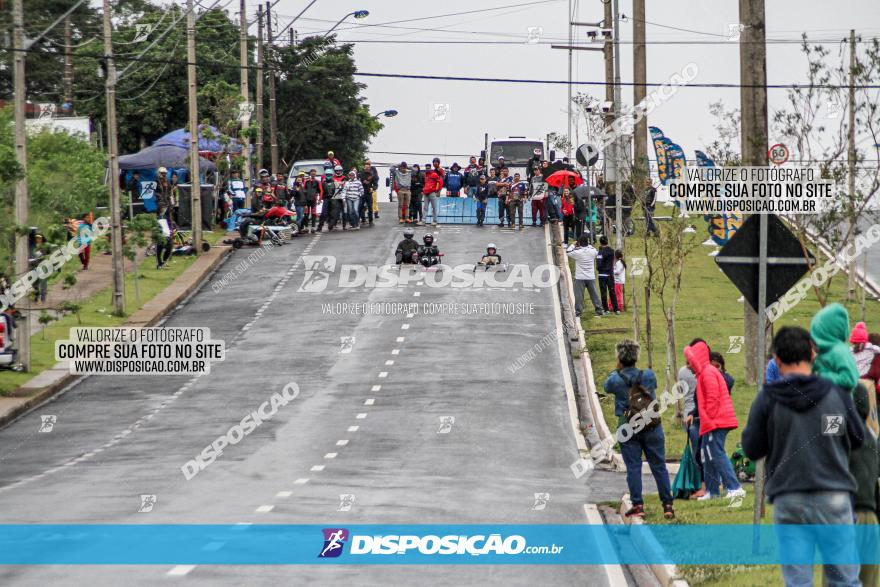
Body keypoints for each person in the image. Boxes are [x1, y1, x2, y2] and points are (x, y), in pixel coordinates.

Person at [742, 326, 865, 587]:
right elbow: (858, 437)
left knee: (797, 582)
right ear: (812, 354)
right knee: (844, 580)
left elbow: (752, 449)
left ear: (776, 359)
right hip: (834, 496)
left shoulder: (767, 399)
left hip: (789, 499)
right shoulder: (836, 394)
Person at [603, 339, 675, 519]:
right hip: (651, 425)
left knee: (633, 467)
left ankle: (638, 504)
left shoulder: (615, 379)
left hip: (628, 427)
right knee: (659, 466)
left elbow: (606, 386)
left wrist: (617, 369)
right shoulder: (649, 375)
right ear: (637, 356)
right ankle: (667, 505)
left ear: (619, 357)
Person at [684, 340, 745, 501]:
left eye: (690, 360)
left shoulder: (707, 372)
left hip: (717, 421)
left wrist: (708, 418)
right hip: (712, 421)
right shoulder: (704, 373)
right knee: (707, 454)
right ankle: (712, 491)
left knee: (716, 452)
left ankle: (735, 487)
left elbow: (713, 397)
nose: (688, 365)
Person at [813, 303, 861, 393]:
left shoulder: (839, 351)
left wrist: (821, 376)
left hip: (839, 402)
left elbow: (849, 379)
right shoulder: (828, 351)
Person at [679, 345, 705, 499]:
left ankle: (698, 483)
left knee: (696, 452)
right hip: (698, 415)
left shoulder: (682, 372)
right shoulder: (702, 373)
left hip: (688, 414)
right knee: (701, 452)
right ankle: (703, 483)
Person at [566, 235, 603, 317]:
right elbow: (595, 251)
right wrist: (589, 245)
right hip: (590, 276)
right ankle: (599, 310)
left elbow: (568, 252)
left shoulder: (577, 253)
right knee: (594, 295)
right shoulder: (592, 251)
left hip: (580, 277)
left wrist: (573, 244)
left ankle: (578, 312)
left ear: (579, 243)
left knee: (579, 296)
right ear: (588, 242)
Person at [596, 236, 619, 315]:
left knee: (603, 293)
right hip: (610, 274)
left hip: (602, 275)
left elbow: (598, 264)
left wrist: (599, 269)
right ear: (607, 242)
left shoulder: (600, 252)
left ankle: (606, 309)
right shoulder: (612, 251)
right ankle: (616, 309)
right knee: (612, 291)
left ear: (600, 242)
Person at [423, 158, 445, 227]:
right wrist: (423, 190)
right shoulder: (426, 174)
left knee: (434, 207)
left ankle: (435, 221)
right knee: (425, 207)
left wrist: (438, 190)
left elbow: (441, 181)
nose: (435, 163)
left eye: (436, 162)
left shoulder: (437, 171)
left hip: (434, 191)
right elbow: (425, 183)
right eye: (434, 162)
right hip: (427, 192)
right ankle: (423, 220)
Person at [302, 169, 323, 233]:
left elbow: (321, 191)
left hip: (314, 199)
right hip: (306, 199)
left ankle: (313, 227)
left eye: (314, 174)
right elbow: (303, 190)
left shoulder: (318, 181)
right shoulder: (306, 181)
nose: (313, 175)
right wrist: (303, 199)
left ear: (315, 174)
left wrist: (319, 199)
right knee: (306, 214)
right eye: (312, 173)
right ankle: (306, 227)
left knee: (314, 213)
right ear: (310, 174)